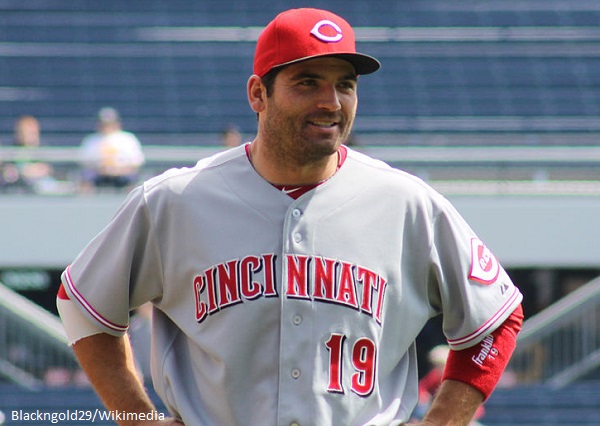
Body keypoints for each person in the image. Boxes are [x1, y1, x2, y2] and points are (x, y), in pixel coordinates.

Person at [57, 8, 524, 426]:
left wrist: (442, 422)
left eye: (345, 84)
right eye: (308, 82)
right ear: (258, 93)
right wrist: (138, 420)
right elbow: (83, 306)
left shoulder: (405, 202)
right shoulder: (174, 201)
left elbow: (496, 319)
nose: (332, 101)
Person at [79, 107, 145, 190]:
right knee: (86, 181)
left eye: (110, 123)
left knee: (133, 184)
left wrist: (119, 169)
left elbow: (136, 162)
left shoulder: (128, 138)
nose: (107, 127)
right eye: (104, 124)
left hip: (123, 173)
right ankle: (86, 203)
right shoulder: (91, 140)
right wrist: (102, 169)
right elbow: (85, 162)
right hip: (99, 174)